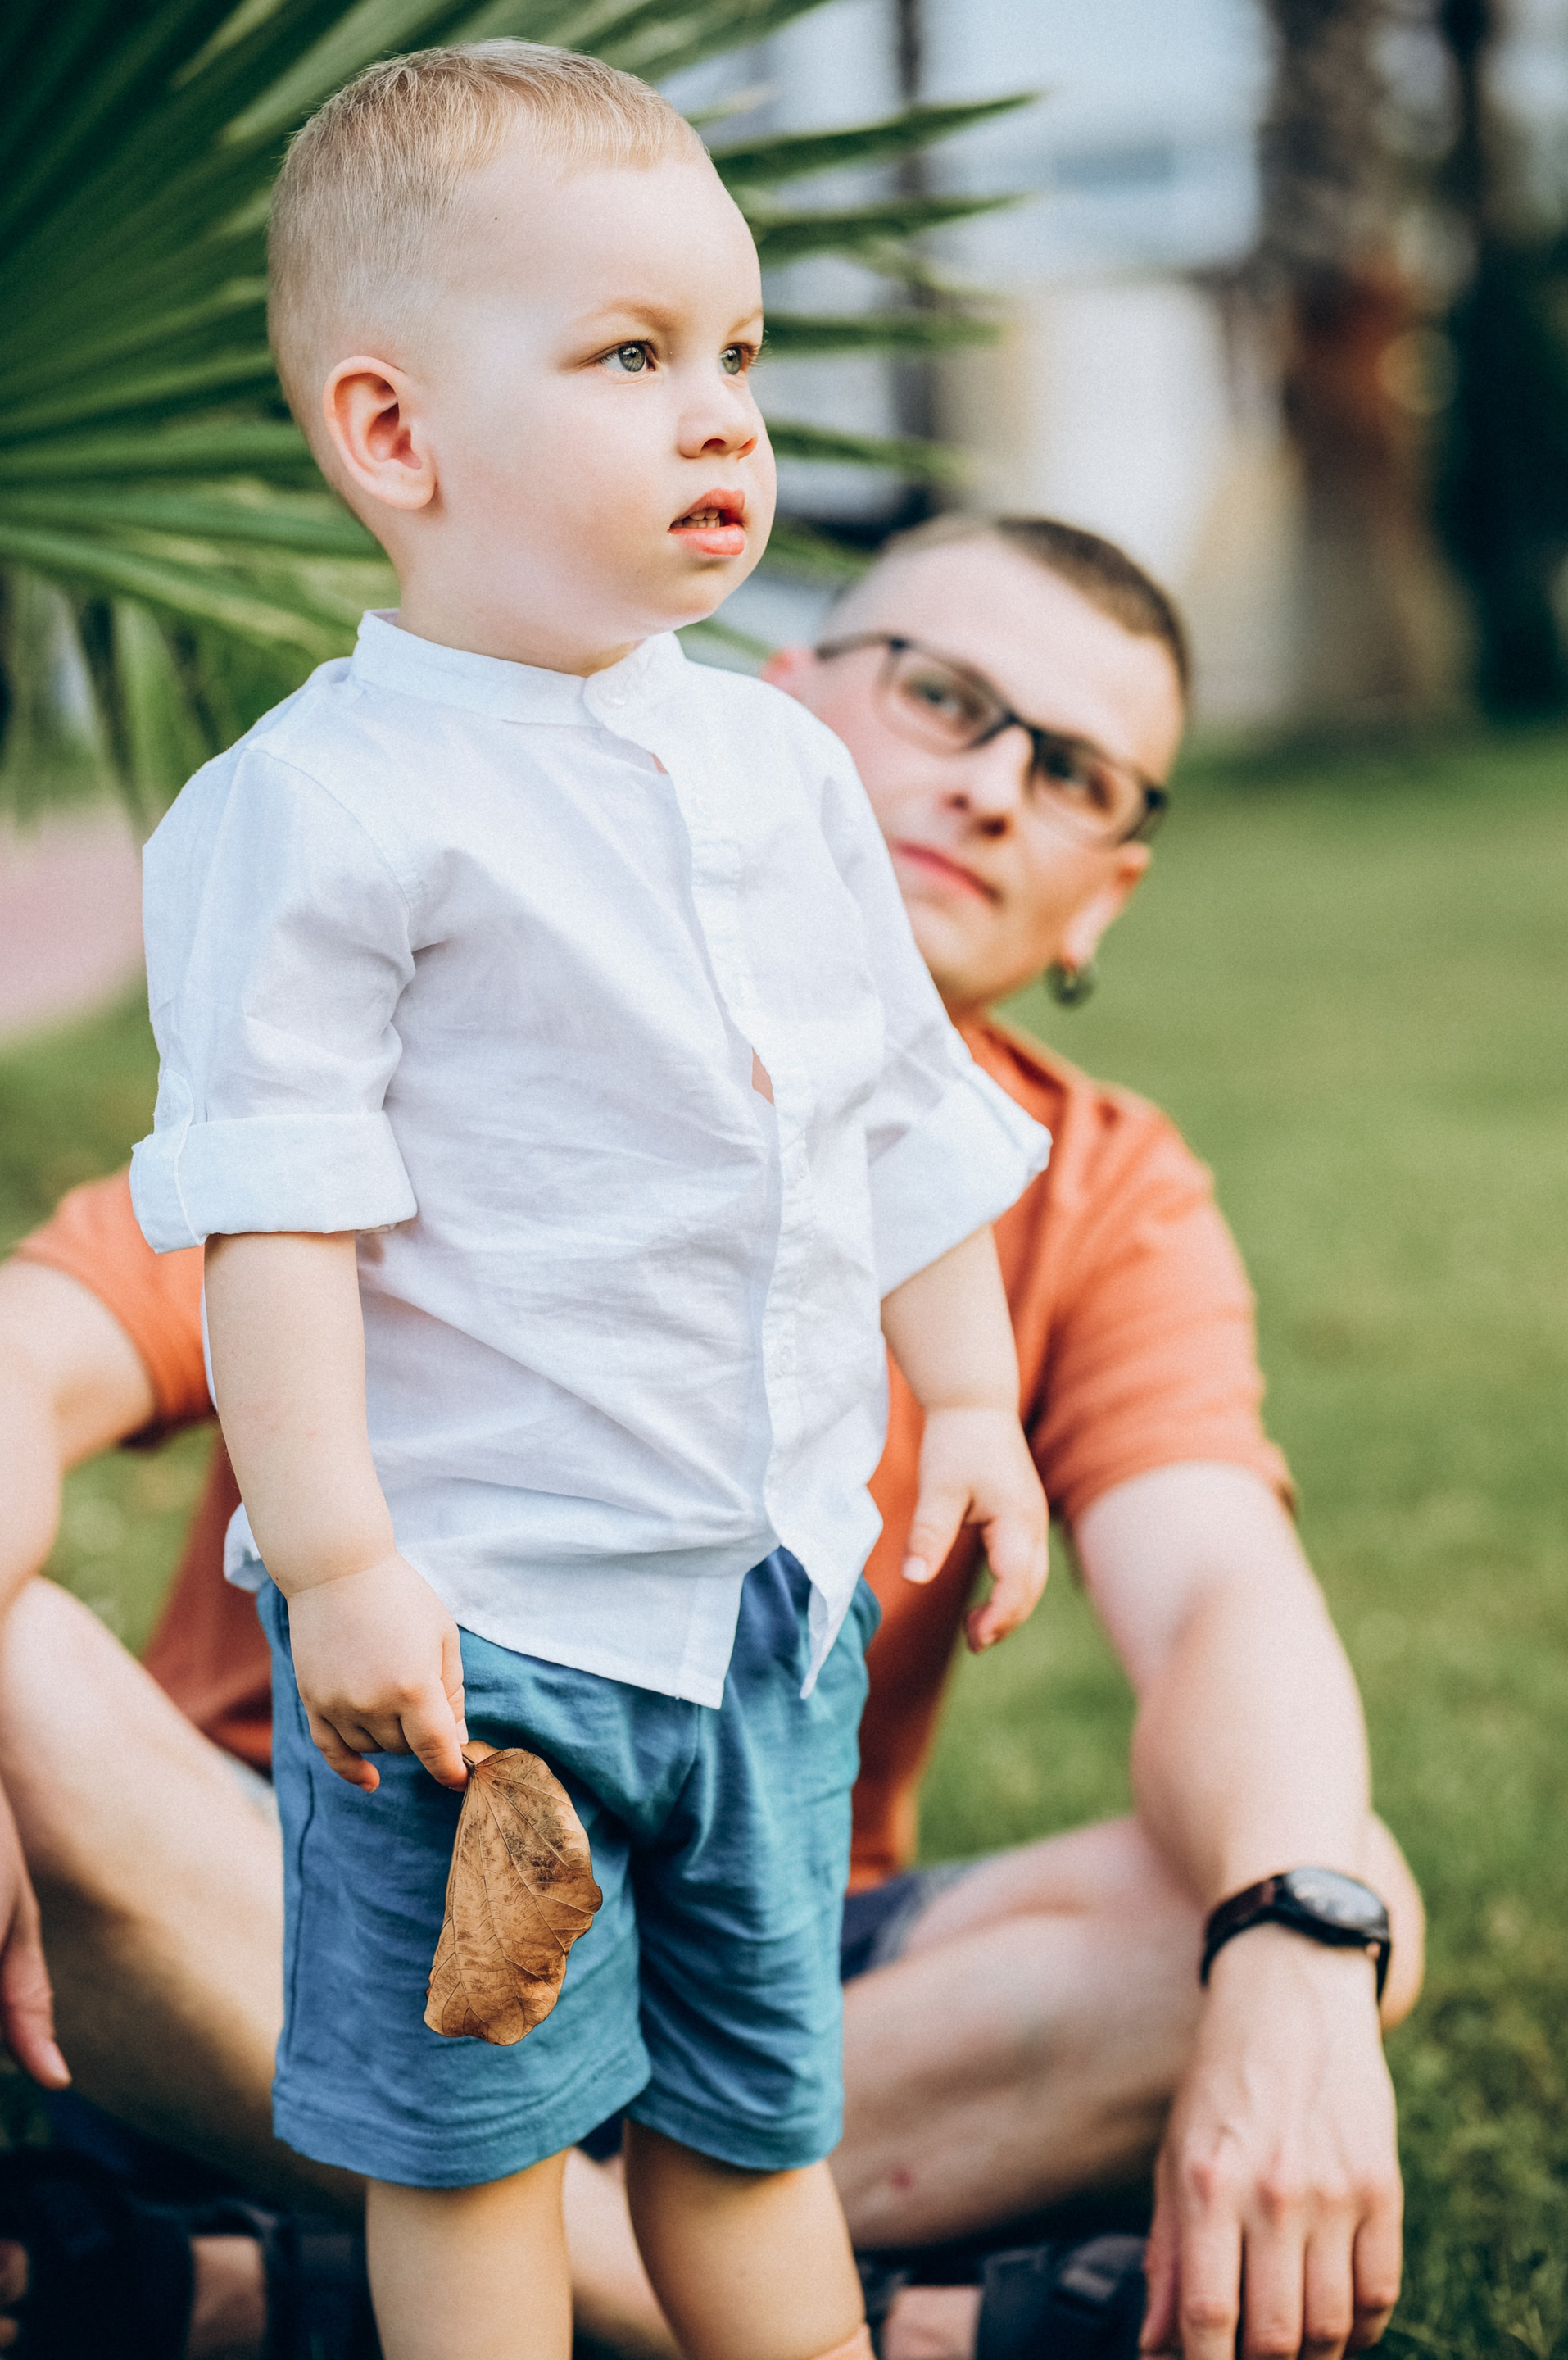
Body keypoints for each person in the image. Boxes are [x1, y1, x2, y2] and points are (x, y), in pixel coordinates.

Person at [0, 516, 1423, 2360]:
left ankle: (329, 2289)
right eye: (946, 696)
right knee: (21, 1676)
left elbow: (1222, 1592)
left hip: (754, 1919)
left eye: (1071, 772)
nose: (993, 786)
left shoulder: (1098, 1191)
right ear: (782, 701)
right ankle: (771, 2311)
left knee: (1322, 1889)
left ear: (1107, 896)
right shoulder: (450, 1000)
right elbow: (28, 1356)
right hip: (302, 1877)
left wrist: (1295, 1940)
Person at [121, 35, 1052, 2360]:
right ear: (395, 433)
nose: (721, 418)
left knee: (752, 2126)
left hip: (761, 1600)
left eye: (738, 352)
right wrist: (339, 1557)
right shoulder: (324, 808)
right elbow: (276, 1209)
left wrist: (972, 1402)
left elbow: (889, 1096)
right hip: (485, 1643)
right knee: (477, 2146)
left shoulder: (776, 763)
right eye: (633, 358)